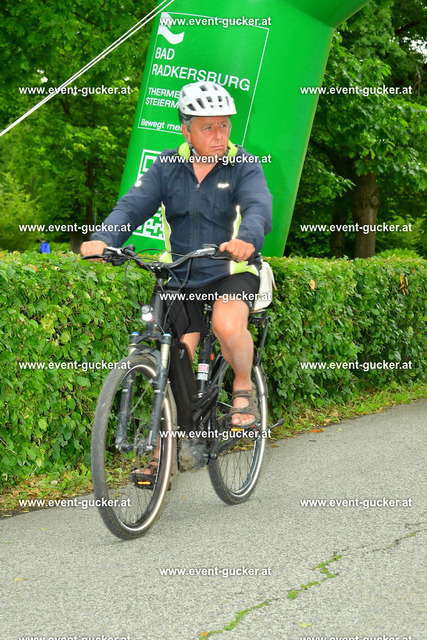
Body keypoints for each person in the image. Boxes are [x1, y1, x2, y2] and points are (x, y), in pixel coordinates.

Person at [81, 81, 272, 469]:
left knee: (226, 325)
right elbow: (132, 207)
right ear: (186, 130)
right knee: (172, 358)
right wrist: (104, 239)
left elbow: (258, 207)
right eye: (208, 127)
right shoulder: (167, 166)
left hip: (231, 269)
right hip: (182, 275)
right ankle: (164, 453)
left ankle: (242, 385)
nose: (219, 135)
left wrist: (248, 240)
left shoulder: (244, 165)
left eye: (224, 125)